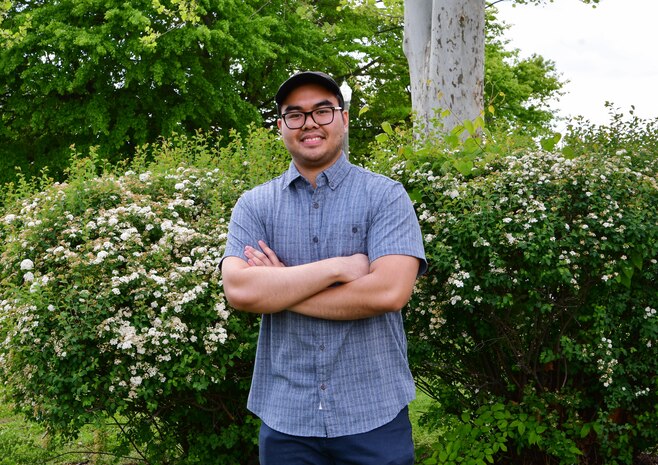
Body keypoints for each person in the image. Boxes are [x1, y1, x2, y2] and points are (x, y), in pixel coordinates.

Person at [220, 71, 427, 465]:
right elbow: (242, 291)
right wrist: (339, 267)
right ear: (282, 127)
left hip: (374, 416)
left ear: (344, 119)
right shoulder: (254, 205)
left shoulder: (385, 196)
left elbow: (388, 292)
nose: (309, 122)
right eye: (294, 114)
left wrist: (280, 288)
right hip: (287, 421)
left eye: (323, 111)